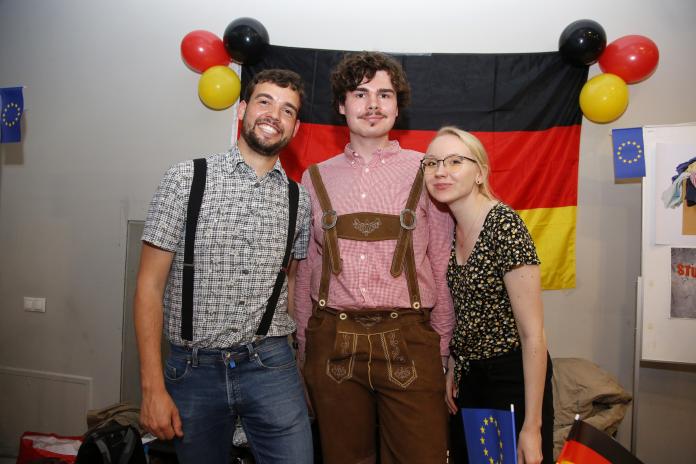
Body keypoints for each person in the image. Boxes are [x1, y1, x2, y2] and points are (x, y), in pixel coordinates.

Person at [134, 69, 314, 464]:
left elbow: (290, 283)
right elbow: (148, 287)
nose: (274, 115)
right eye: (265, 102)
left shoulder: (300, 200)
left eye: (287, 110)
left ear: (295, 128)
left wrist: (299, 361)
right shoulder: (185, 179)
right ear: (243, 109)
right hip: (193, 369)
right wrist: (151, 388)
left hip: (271, 364)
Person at [294, 51, 455, 463]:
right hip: (331, 339)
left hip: (410, 339)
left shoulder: (428, 171)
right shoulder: (314, 178)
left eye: (384, 94)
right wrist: (303, 346)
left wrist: (442, 348)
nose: (373, 105)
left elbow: (442, 263)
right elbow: (307, 267)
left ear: (397, 107)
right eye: (360, 93)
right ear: (341, 105)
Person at [422, 126, 554, 464]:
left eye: (455, 161)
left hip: (511, 378)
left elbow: (533, 334)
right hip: (470, 378)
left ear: (480, 173)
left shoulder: (504, 226)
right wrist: (454, 366)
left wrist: (532, 426)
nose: (440, 171)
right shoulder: (449, 228)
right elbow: (465, 311)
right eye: (432, 163)